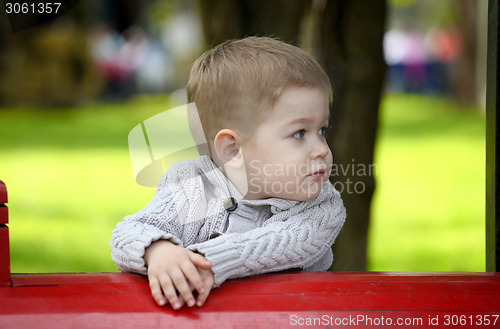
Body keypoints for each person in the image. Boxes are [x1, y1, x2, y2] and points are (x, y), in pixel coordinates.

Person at [110, 36, 346, 310]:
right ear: (233, 149)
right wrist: (158, 250)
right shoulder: (193, 185)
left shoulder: (320, 205)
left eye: (322, 131)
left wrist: (208, 262)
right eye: (299, 133)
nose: (321, 150)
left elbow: (285, 242)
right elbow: (128, 232)